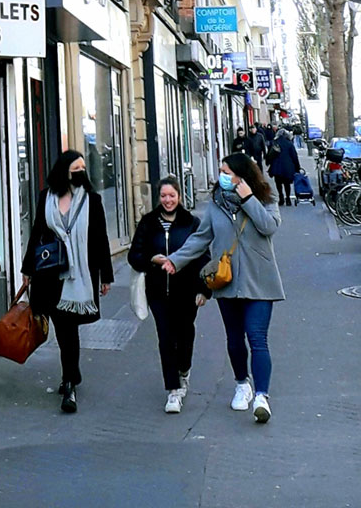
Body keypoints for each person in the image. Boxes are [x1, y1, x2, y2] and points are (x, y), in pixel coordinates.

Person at [162, 152, 283, 424]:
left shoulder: (265, 198)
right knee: (234, 338)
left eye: (227, 172)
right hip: (227, 281)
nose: (222, 177)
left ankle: (261, 396)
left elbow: (268, 226)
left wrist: (248, 199)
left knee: (257, 337)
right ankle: (242, 383)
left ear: (242, 175)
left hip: (260, 280)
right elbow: (201, 238)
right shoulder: (216, 204)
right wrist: (175, 260)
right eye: (221, 172)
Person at [23, 150, 113, 414]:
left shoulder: (92, 200)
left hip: (79, 275)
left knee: (68, 329)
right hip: (50, 273)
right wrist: (27, 269)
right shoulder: (46, 198)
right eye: (76, 168)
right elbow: (37, 233)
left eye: (83, 168)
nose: (81, 172)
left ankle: (70, 383)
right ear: (64, 171)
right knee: (59, 328)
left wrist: (106, 275)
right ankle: (72, 372)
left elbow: (100, 239)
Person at [128, 177, 208, 413]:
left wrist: (204, 289)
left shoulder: (191, 223)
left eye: (172, 195)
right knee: (165, 338)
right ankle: (173, 390)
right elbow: (134, 256)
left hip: (186, 291)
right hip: (157, 292)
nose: (167, 200)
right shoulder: (148, 222)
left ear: (179, 196)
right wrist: (151, 259)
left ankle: (184, 369)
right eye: (163, 196)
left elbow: (203, 257)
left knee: (185, 335)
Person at [268, 129, 301, 207]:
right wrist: (297, 167)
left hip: (276, 166)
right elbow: (294, 156)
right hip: (287, 167)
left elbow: (270, 155)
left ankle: (281, 197)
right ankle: (288, 198)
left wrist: (269, 164)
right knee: (287, 184)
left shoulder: (274, 143)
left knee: (278, 183)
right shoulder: (289, 143)